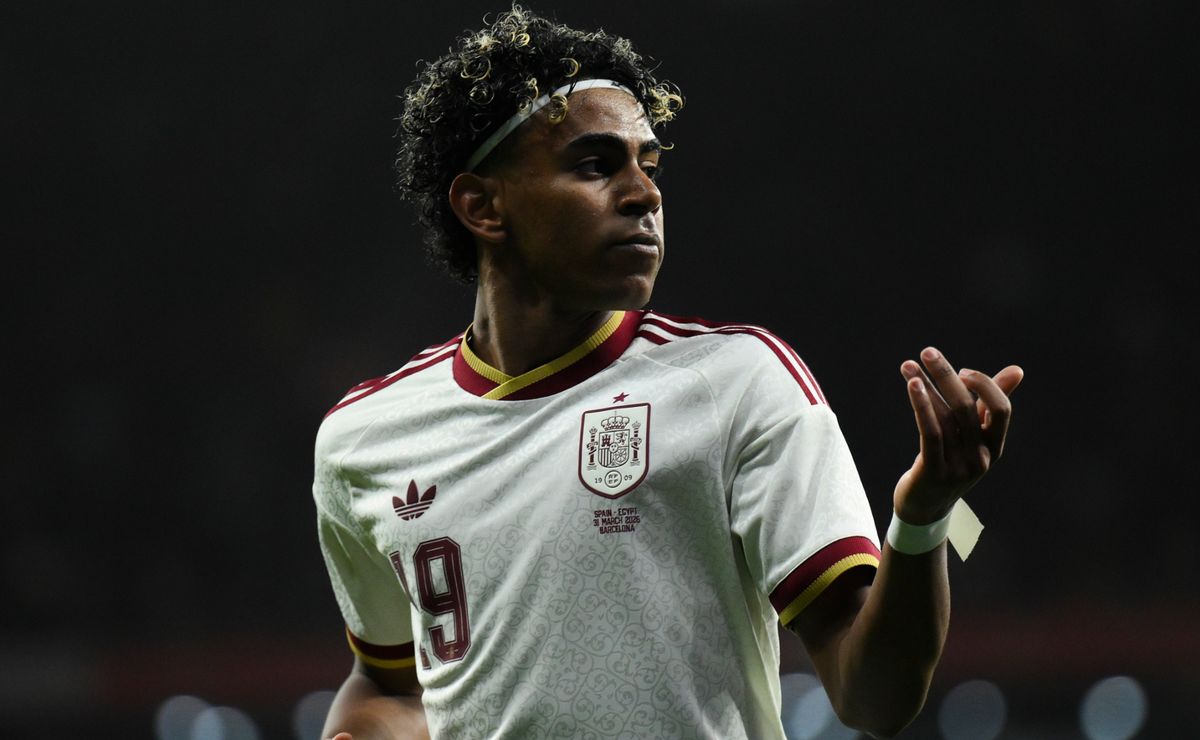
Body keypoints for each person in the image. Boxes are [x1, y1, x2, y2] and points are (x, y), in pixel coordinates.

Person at [312, 6, 1023, 739]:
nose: (644, 194)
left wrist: (924, 515)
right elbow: (388, 682)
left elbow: (875, 698)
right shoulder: (363, 438)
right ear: (482, 207)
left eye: (648, 167)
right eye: (596, 165)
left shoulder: (737, 383)